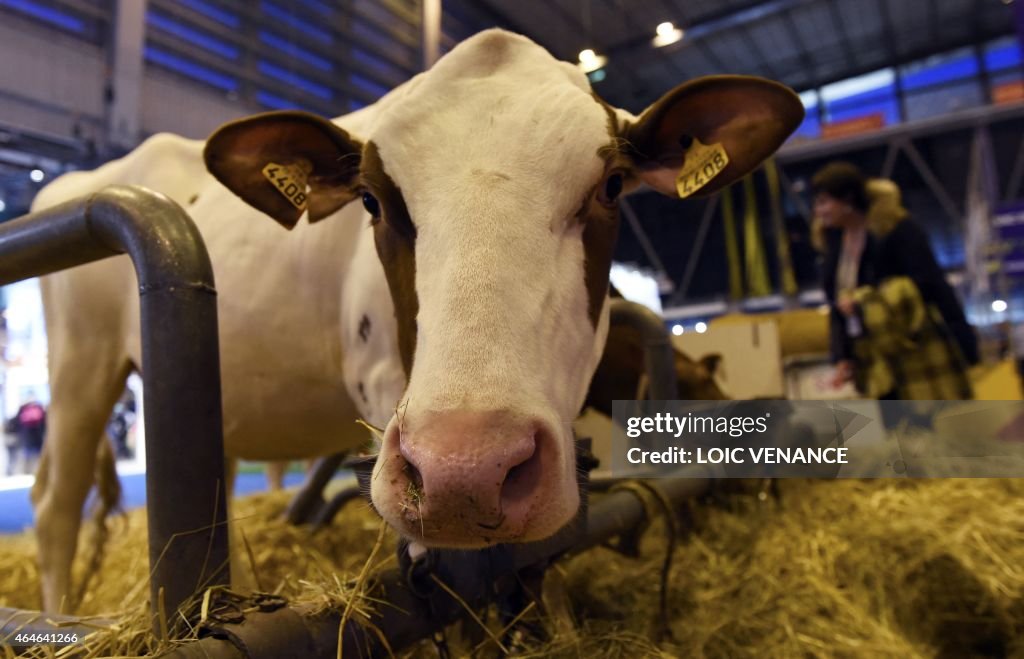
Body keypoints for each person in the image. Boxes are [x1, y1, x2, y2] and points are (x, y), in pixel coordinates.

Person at [812, 162, 978, 400]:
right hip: (872, 357)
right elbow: (836, 307)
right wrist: (842, 357)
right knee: (897, 429)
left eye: (824, 201)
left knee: (938, 424)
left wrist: (864, 302)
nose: (819, 211)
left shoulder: (897, 229)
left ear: (847, 199)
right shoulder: (833, 246)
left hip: (915, 347)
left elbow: (930, 284)